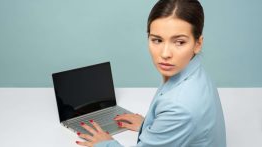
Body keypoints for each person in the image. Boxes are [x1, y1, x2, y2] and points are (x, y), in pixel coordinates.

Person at [75, 0, 226, 146]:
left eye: (179, 42)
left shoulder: (179, 107)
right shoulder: (194, 71)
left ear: (197, 44)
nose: (165, 53)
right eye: (157, 40)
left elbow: (181, 111)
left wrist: (105, 144)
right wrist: (149, 126)